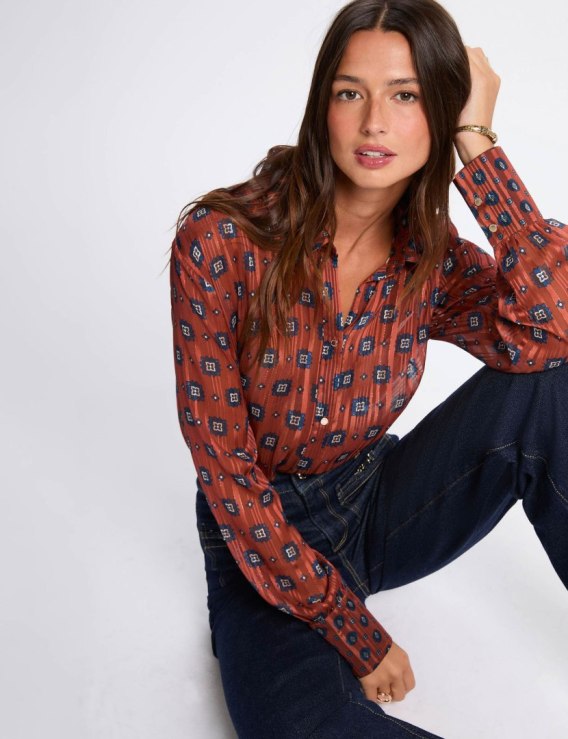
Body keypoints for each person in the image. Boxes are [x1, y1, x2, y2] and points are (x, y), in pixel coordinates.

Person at [168, 0, 568, 736]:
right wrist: (354, 629)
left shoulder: (432, 260)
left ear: (440, 113)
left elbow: (555, 330)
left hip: (377, 505)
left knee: (551, 389)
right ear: (322, 105)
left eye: (406, 95)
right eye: (351, 92)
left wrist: (479, 147)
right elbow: (226, 473)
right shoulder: (221, 242)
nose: (374, 122)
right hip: (256, 545)